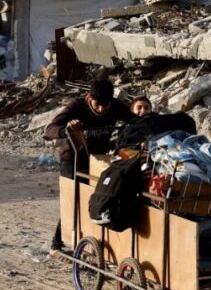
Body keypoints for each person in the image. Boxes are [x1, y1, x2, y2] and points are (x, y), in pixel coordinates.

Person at [44, 78, 132, 257]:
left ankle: (89, 241)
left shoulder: (116, 106)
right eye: (97, 105)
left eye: (105, 106)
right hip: (73, 158)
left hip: (99, 160)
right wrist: (66, 129)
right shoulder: (76, 106)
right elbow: (50, 129)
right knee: (74, 199)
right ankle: (56, 244)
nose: (101, 109)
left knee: (99, 199)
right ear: (89, 97)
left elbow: (134, 120)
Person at [116, 95, 197, 150]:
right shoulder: (126, 130)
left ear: (151, 110)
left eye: (146, 108)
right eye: (139, 108)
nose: (143, 110)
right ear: (132, 111)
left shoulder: (159, 120)